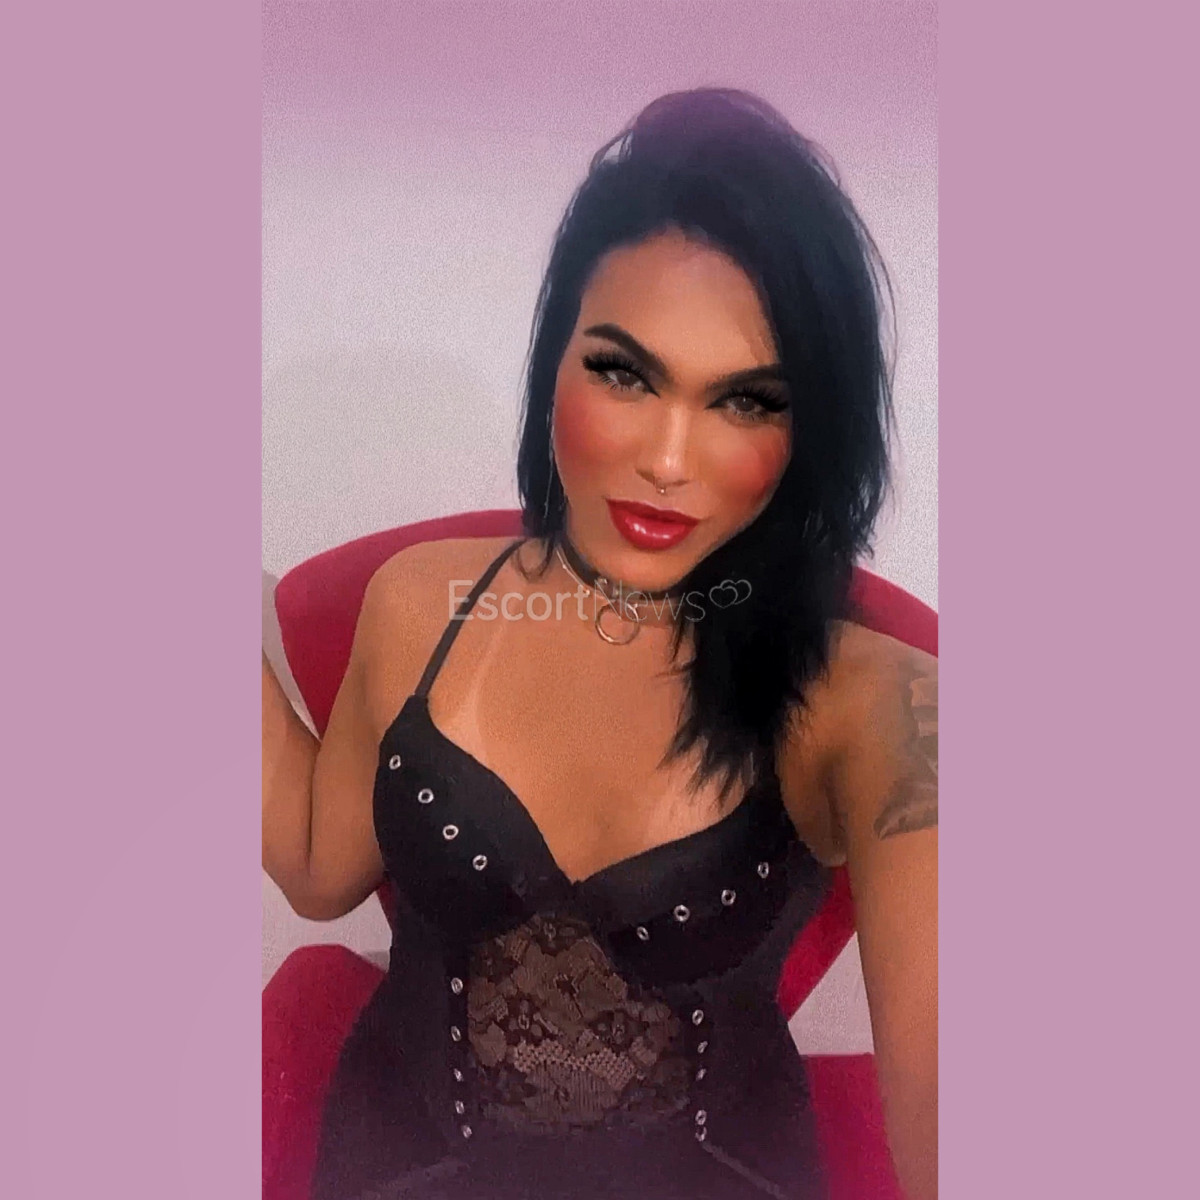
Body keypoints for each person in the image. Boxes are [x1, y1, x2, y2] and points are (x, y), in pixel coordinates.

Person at [262, 88, 937, 1200]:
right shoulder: (421, 602)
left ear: (812, 429)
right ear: (556, 363)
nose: (667, 459)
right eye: (624, 373)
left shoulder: (878, 707)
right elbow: (314, 867)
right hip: (397, 1162)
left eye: (746, 402)